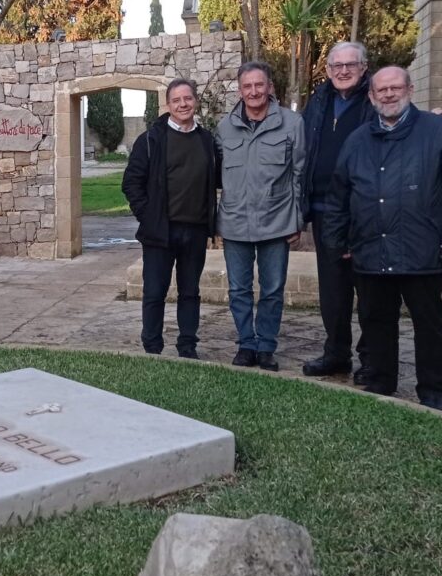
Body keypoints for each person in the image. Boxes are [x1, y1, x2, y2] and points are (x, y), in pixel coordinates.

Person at [321, 66, 442, 411]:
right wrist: (340, 241)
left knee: (428, 322)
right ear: (372, 96)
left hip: (423, 247)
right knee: (376, 321)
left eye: (395, 88)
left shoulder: (439, 131)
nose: (389, 94)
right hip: (370, 248)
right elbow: (338, 196)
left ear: (409, 89)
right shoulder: (358, 140)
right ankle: (380, 383)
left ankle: (433, 390)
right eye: (382, 90)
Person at [215, 62, 306, 372]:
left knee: (272, 289)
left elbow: (299, 174)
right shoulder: (224, 127)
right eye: (247, 86)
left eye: (259, 85)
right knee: (238, 289)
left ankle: (266, 346)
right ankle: (246, 344)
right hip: (235, 222)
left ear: (269, 87)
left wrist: (298, 220)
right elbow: (215, 176)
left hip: (276, 221)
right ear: (240, 90)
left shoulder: (292, 124)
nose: (253, 91)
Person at [122, 78, 219, 360]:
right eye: (176, 100)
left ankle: (187, 347)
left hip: (196, 230)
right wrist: (148, 216)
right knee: (154, 292)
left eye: (187, 99)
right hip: (159, 232)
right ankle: (152, 348)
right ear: (168, 105)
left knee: (190, 292)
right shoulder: (151, 140)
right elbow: (131, 183)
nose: (183, 104)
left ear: (195, 101)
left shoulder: (207, 140)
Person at [298, 41, 377, 384]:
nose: (343, 71)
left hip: (363, 212)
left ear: (363, 67)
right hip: (324, 210)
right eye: (337, 66)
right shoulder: (318, 101)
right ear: (328, 70)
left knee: (369, 290)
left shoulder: (375, 99)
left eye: (351, 65)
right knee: (333, 290)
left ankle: (372, 359)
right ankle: (337, 354)